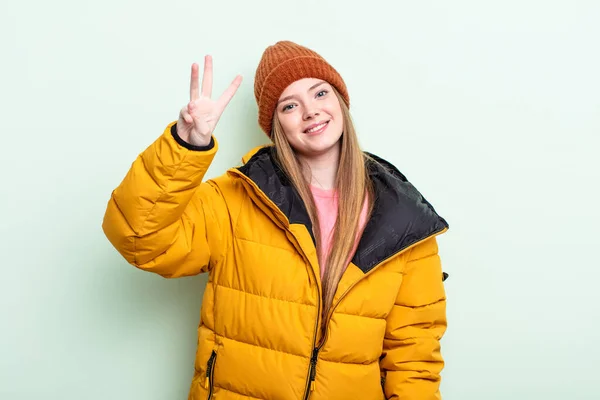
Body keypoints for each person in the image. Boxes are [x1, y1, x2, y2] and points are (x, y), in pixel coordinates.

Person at [102, 41, 450, 400]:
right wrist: (185, 146)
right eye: (289, 105)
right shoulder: (235, 199)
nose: (310, 111)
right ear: (276, 124)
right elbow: (139, 238)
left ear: (341, 102)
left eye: (320, 93)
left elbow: (414, 355)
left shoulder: (405, 220)